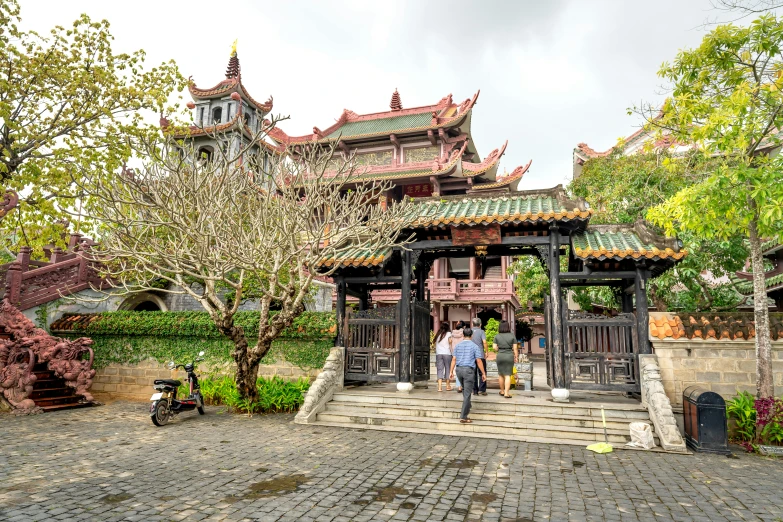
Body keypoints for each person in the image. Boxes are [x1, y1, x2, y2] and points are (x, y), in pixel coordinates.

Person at [449, 327, 486, 424]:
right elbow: (478, 360)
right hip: (469, 371)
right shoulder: (475, 346)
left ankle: (468, 406)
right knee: (467, 394)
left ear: (463, 335)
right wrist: (483, 373)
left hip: (459, 370)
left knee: (465, 390)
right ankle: (463, 416)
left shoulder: (457, 346)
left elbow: (454, 359)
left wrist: (450, 372)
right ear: (472, 335)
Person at [493, 320, 519, 398]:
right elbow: (515, 348)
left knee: (501, 374)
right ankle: (506, 393)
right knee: (507, 374)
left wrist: (499, 349)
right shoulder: (512, 336)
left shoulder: (497, 336)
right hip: (509, 355)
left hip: (500, 355)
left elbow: (494, 347)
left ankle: (502, 391)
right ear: (508, 327)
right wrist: (516, 357)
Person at [470, 318, 488, 396]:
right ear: (480, 325)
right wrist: (486, 352)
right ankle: (482, 389)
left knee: (473, 373)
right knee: (482, 372)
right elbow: (484, 342)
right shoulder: (481, 331)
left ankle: (474, 390)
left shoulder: (469, 331)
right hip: (480, 355)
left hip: (471, 355)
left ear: (472, 324)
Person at [434, 322, 453, 392]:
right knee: (448, 368)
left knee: (439, 369)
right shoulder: (449, 334)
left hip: (439, 354)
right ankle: (448, 386)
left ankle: (439, 387)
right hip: (447, 353)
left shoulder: (438, 335)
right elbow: (450, 343)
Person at [453, 321, 466, 392]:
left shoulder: (453, 333)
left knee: (458, 370)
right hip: (464, 353)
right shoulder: (464, 333)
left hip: (456, 353)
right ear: (463, 326)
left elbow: (451, 343)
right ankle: (463, 385)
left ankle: (459, 387)